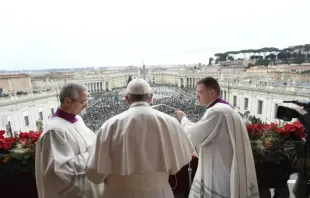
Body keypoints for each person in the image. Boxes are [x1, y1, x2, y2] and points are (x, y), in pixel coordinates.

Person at [86, 78, 194, 198]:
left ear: (127, 98)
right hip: (159, 193)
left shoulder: (110, 125)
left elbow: (95, 175)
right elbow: (178, 165)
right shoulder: (171, 122)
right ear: (151, 98)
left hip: (118, 193)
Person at [175, 77, 259, 198]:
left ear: (212, 93)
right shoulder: (228, 109)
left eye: (200, 92)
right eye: (196, 93)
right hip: (228, 164)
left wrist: (183, 119)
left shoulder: (216, 111)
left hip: (219, 168)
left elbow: (194, 135)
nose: (197, 96)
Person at [35, 82, 104, 198]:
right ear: (67, 101)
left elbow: (92, 142)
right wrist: (93, 156)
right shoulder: (54, 131)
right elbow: (60, 169)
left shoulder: (78, 119)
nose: (86, 106)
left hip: (89, 184)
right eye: (83, 102)